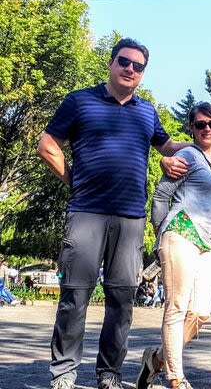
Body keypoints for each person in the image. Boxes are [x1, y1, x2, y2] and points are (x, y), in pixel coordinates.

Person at [36, 38, 189, 389]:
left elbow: (166, 146)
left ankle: (109, 373)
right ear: (111, 62)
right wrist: (74, 181)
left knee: (122, 300)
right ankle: (64, 373)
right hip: (86, 213)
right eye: (124, 62)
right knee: (75, 296)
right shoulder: (79, 101)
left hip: (130, 218)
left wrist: (204, 139)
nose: (130, 69)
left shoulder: (147, 111)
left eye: (138, 66)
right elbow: (47, 146)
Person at [136, 102, 211, 389]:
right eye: (200, 124)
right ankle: (176, 377)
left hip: (209, 241)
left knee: (200, 312)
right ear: (192, 128)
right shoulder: (187, 154)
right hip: (181, 231)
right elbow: (161, 195)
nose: (207, 129)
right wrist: (161, 231)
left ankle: (156, 360)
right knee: (176, 305)